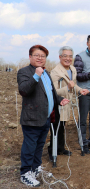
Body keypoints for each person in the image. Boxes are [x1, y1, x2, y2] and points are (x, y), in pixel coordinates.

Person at [17, 45, 69, 187]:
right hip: (32, 119)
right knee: (29, 147)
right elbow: (24, 90)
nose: (40, 58)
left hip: (45, 118)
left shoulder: (46, 74)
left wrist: (59, 100)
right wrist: (36, 75)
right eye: (37, 55)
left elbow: (50, 92)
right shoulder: (24, 72)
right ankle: (25, 173)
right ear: (30, 57)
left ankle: (36, 168)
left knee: (39, 146)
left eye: (43, 56)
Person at [48, 46, 90, 161]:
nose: (68, 58)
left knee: (62, 125)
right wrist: (67, 88)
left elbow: (73, 84)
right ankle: (52, 151)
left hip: (67, 103)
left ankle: (60, 148)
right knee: (56, 127)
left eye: (70, 56)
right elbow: (54, 91)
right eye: (65, 56)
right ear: (60, 57)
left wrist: (80, 90)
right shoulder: (55, 72)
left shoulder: (72, 69)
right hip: (58, 103)